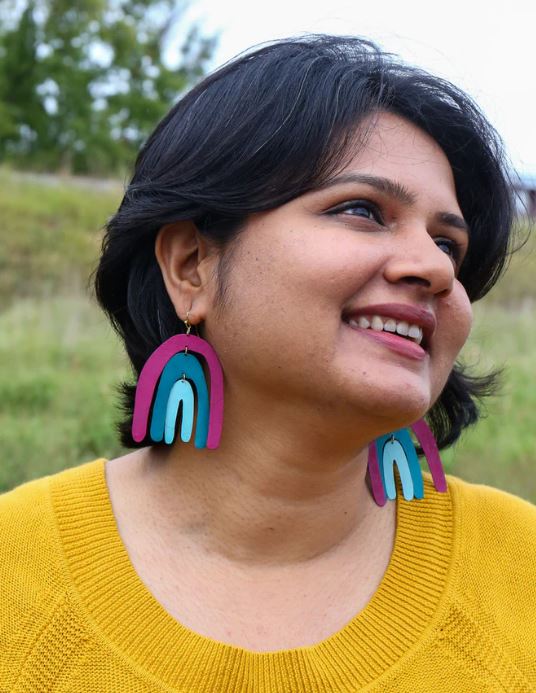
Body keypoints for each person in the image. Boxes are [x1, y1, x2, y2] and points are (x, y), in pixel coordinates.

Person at [1, 34, 534, 692]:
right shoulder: (14, 573)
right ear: (191, 265)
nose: (432, 268)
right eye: (362, 210)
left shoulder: (521, 570)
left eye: (448, 242)